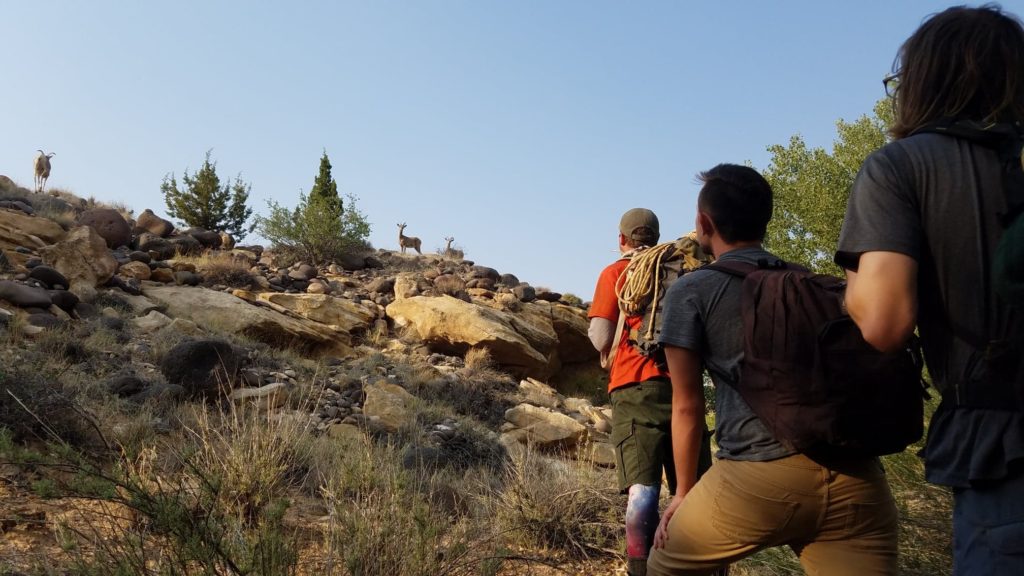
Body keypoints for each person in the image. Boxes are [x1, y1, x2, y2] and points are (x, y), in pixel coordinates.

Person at [836, 6, 1024, 574]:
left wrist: (852, 285)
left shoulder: (901, 167)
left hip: (1002, 445)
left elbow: (884, 323)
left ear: (922, 84)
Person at [647, 164, 898, 576]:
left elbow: (687, 407)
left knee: (665, 567)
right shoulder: (811, 283)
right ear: (765, 220)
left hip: (758, 480)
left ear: (704, 223)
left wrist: (683, 494)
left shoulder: (692, 290)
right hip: (859, 478)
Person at [588, 208, 712, 576]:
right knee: (691, 491)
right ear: (656, 238)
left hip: (633, 387)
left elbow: (599, 336)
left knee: (642, 492)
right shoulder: (683, 272)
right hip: (682, 387)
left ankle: (641, 569)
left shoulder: (616, 272)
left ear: (622, 239)